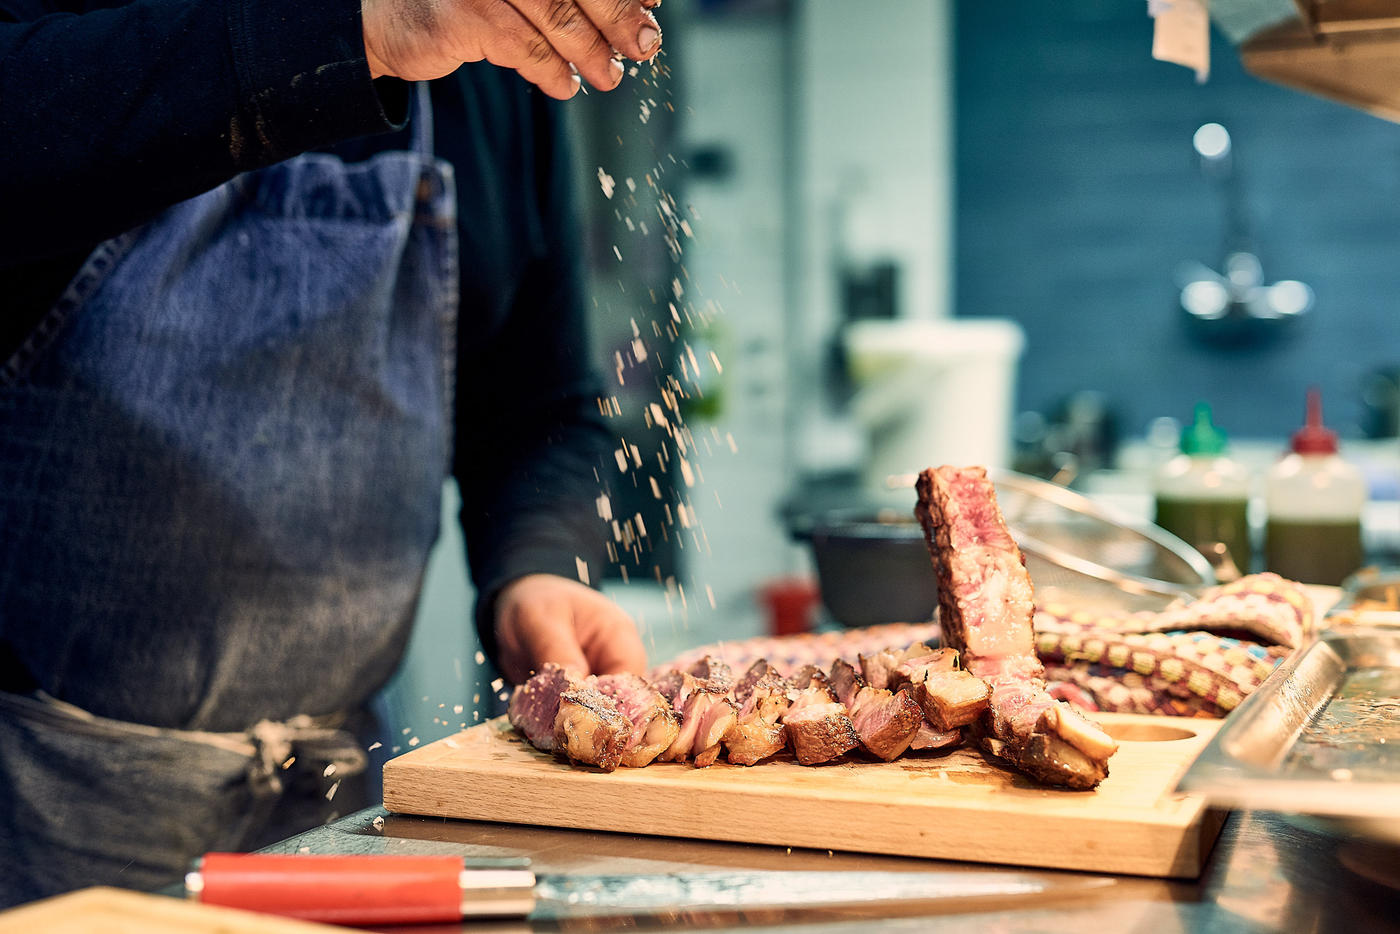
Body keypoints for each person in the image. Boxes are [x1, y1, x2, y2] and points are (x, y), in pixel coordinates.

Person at [0, 0, 660, 907]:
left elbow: (539, 407)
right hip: (40, 812)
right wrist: (357, 31)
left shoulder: (494, 65)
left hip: (338, 808)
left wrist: (536, 568)